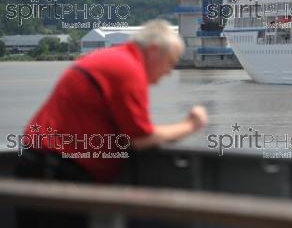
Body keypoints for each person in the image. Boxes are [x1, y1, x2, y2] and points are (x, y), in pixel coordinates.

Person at [15, 19, 208, 227]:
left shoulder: (112, 58)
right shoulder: (128, 70)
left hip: (41, 165)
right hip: (56, 174)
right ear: (153, 50)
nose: (169, 71)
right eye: (170, 62)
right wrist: (191, 124)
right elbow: (141, 138)